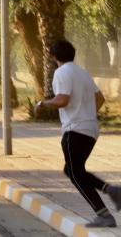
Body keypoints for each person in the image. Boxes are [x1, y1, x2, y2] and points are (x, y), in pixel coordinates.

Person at [35, 40, 121, 228]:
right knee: (73, 170)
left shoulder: (61, 72)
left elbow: (62, 100)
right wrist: (88, 114)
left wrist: (43, 104)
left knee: (74, 172)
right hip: (90, 129)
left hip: (74, 129)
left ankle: (104, 214)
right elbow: (100, 98)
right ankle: (112, 191)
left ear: (54, 56)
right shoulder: (82, 72)